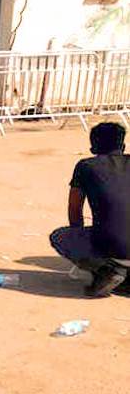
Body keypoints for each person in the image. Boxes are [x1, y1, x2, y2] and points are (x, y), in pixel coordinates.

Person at [51, 122, 130, 297]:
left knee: (60, 237)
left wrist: (81, 242)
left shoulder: (85, 166)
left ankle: (103, 271)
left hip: (113, 245)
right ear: (123, 146)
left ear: (93, 147)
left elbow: (74, 211)